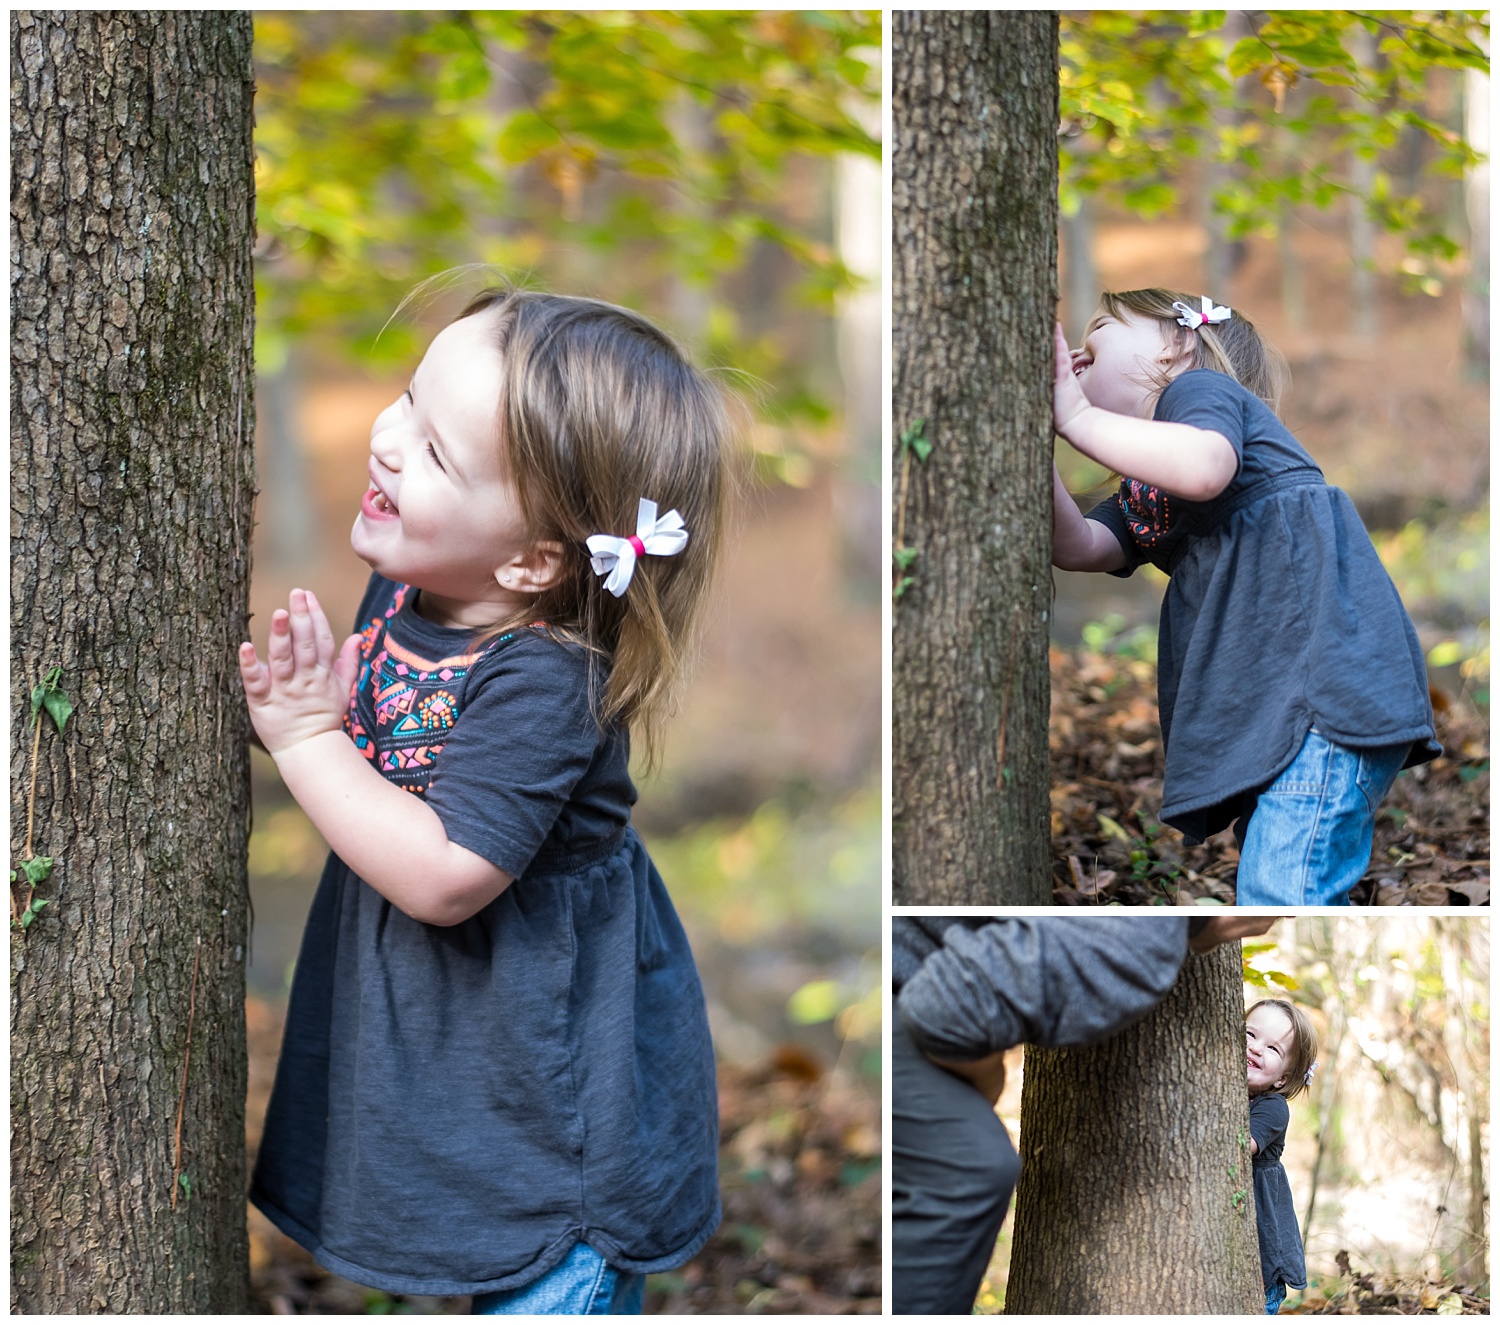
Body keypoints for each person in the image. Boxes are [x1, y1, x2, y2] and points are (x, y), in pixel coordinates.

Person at [239, 287, 731, 1314]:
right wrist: (310, 711)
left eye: (433, 453)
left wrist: (308, 739)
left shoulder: (545, 676)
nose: (384, 440)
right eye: (408, 400)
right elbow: (383, 748)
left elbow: (445, 872)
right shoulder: (418, 585)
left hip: (555, 1104)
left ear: (532, 560)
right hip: (466, 1080)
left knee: (541, 1269)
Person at [1050, 289, 1439, 905]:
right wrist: (1031, 437)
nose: (1077, 350)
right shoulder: (1149, 486)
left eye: (1100, 330)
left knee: (1284, 885)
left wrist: (1074, 418)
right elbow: (1080, 547)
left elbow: (1204, 468)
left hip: (1323, 698)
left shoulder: (1200, 395)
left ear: (1179, 346)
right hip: (1282, 711)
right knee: (1282, 865)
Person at [891, 914, 1278, 1316]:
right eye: (1250, 1035)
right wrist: (989, 1080)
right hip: (900, 992)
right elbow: (940, 1011)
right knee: (969, 1164)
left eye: (1275, 1049)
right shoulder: (1144, 938)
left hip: (909, 980)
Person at [1246, 997, 1318, 1315]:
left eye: (1273, 1049)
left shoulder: (1273, 1106)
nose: (1256, 1048)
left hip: (1261, 1253)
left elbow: (1236, 1147)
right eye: (1249, 1035)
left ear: (1282, 1079)